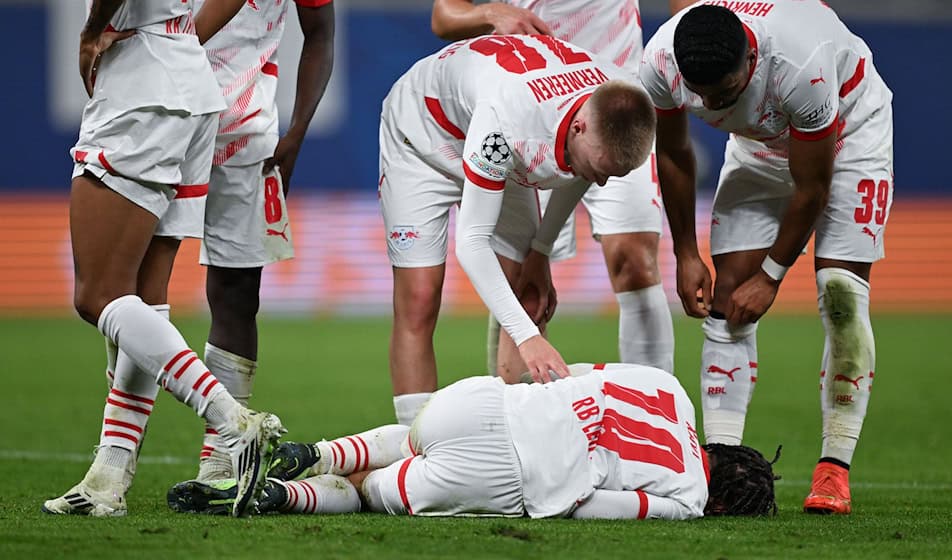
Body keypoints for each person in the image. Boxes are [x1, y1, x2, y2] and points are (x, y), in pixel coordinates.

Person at [640, 2, 893, 514]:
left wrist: (773, 275)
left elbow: (812, 188)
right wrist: (686, 253)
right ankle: (723, 465)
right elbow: (672, 153)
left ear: (750, 60)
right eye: (701, 94)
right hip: (759, 146)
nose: (710, 102)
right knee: (727, 296)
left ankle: (833, 469)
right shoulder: (661, 62)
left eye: (723, 92)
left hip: (847, 136)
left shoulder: (802, 64)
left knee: (840, 293)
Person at [43, 0, 285, 518]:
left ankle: (232, 420)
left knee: (96, 297)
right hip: (188, 78)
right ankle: (109, 478)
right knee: (142, 301)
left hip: (140, 76)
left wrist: (91, 30)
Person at [379, 35, 657, 425]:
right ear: (578, 127)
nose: (603, 183)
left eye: (613, 174)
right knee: (420, 297)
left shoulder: (612, 106)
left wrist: (540, 251)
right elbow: (472, 243)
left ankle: (518, 440)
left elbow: (578, 174)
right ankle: (411, 445)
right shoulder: (508, 125)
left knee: (525, 290)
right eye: (600, 170)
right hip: (423, 135)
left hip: (501, 128)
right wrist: (529, 340)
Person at [167, 363, 779, 518]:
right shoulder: (690, 498)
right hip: (508, 476)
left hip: (482, 402)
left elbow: (574, 378)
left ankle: (314, 454)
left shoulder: (670, 386)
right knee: (369, 493)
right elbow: (591, 507)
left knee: (409, 437)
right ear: (723, 498)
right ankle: (280, 497)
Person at [430, 0, 675, 383]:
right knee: (522, 280)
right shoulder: (512, 118)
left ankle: (657, 419)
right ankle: (515, 423)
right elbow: (444, 16)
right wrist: (488, 14)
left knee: (635, 258)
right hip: (532, 111)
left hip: (618, 111)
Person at [190, 0, 335, 483]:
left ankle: (222, 458)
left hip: (247, 130)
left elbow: (320, 33)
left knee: (236, 295)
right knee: (134, 292)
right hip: (161, 117)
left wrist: (297, 132)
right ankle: (115, 461)